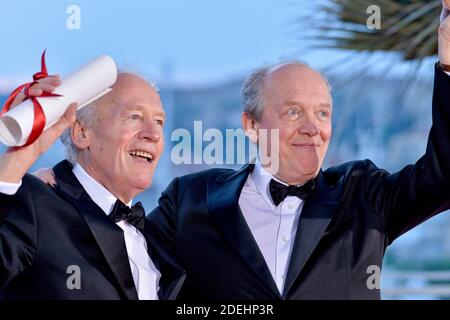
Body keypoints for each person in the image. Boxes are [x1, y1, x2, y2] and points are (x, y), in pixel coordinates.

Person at [144, 2, 450, 299]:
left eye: (322, 113)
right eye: (293, 112)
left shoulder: (362, 193)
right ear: (251, 124)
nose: (312, 128)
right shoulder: (190, 199)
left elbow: (444, 176)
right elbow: (121, 264)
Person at [0, 71, 184, 299]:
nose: (154, 134)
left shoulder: (159, 242)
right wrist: (16, 161)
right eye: (135, 116)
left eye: (159, 121)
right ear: (82, 132)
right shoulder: (32, 204)